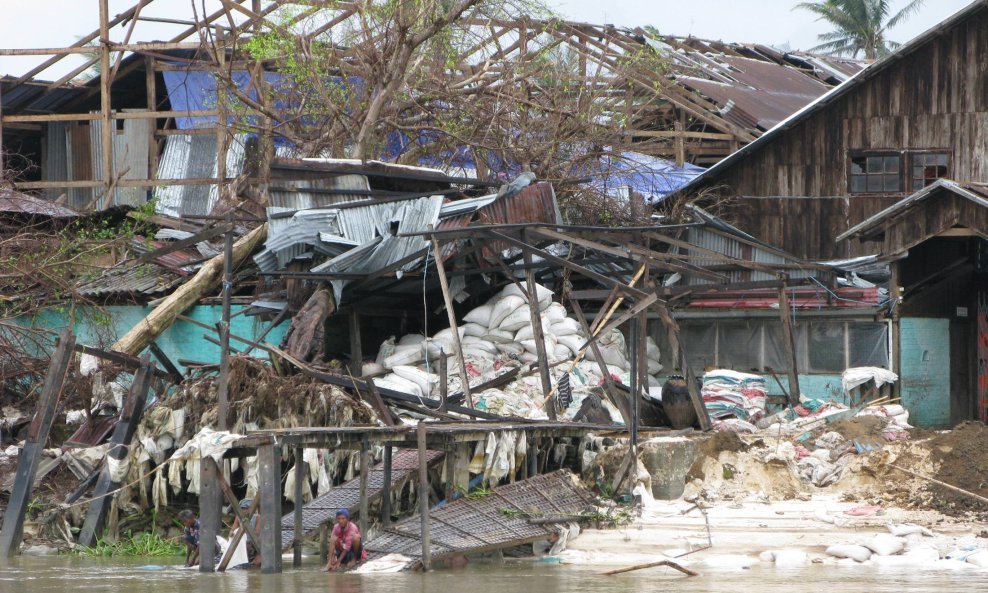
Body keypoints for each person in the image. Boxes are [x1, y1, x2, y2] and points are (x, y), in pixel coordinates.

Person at [231, 498, 262, 567]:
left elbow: (257, 532)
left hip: (253, 541)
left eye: (245, 508)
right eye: (242, 508)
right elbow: (234, 528)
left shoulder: (257, 517)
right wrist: (232, 532)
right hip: (241, 540)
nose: (244, 510)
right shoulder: (238, 517)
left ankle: (256, 557)